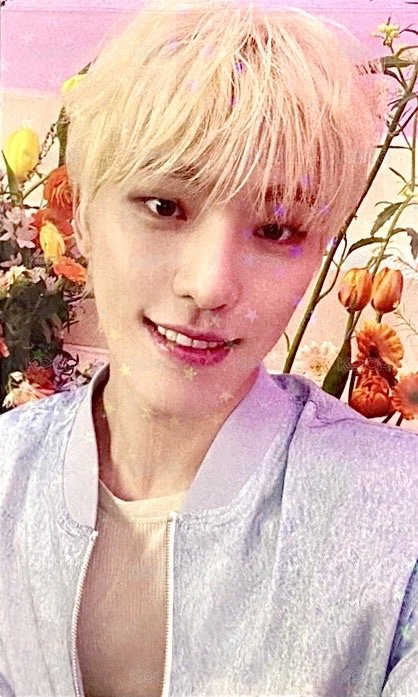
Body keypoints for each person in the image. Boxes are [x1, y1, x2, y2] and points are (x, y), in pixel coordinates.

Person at [1, 1, 417, 695]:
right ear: (83, 217)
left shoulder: (400, 515)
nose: (211, 284)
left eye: (277, 230)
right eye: (164, 206)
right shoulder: (7, 474)